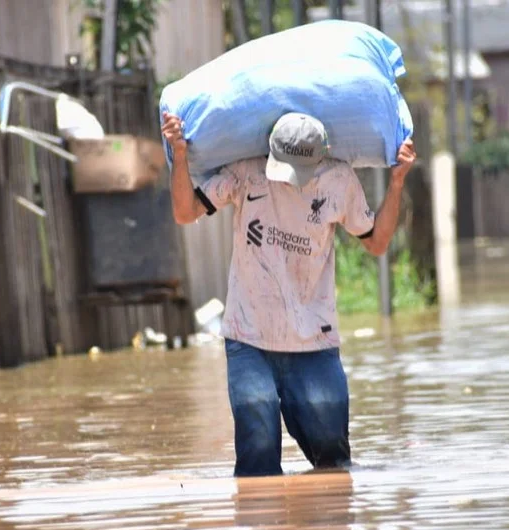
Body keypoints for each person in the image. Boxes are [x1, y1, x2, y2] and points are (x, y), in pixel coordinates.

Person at [162, 111, 416, 477]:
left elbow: (376, 242)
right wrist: (180, 155)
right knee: (257, 464)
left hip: (314, 340)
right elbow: (186, 213)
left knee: (334, 462)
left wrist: (396, 183)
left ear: (321, 156)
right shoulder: (246, 173)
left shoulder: (339, 181)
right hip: (249, 339)